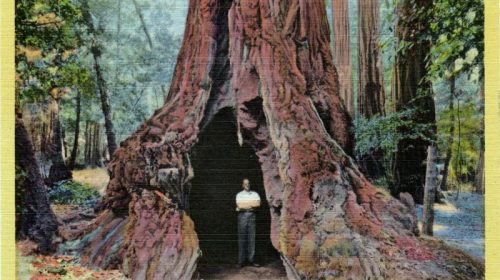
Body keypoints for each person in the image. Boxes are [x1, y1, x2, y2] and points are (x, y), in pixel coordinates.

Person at [235, 178, 261, 267]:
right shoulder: (239, 194)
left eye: (248, 183)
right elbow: (239, 205)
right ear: (242, 185)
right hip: (242, 216)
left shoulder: (255, 194)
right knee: (242, 238)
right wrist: (250, 204)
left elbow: (258, 204)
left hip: (252, 216)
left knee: (252, 238)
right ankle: (241, 261)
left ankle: (251, 260)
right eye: (245, 184)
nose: (247, 185)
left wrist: (245, 205)